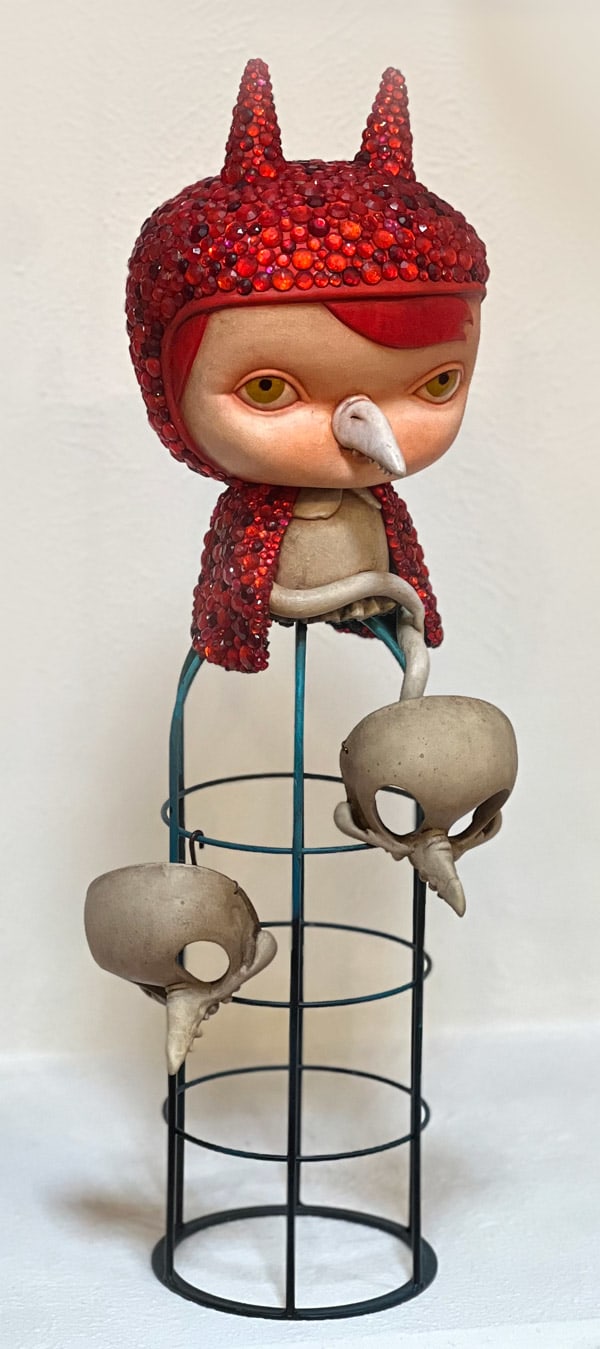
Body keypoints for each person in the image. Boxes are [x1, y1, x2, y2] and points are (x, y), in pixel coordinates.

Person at [127, 59, 488, 673]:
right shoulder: (247, 534)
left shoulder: (380, 509)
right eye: (268, 389)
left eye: (437, 383)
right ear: (166, 386)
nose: (367, 430)